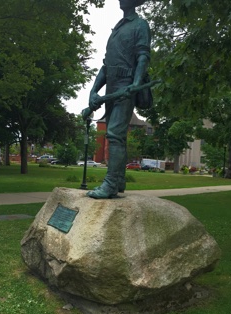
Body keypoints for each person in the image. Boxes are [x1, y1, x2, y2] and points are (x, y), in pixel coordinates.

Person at [78, 0, 154, 199]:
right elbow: (105, 66)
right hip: (112, 86)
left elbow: (143, 57)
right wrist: (93, 91)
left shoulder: (140, 25)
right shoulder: (118, 28)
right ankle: (119, 180)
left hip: (125, 86)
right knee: (117, 136)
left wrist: (135, 83)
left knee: (114, 134)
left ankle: (111, 184)